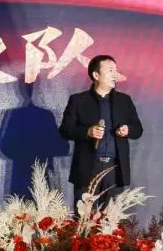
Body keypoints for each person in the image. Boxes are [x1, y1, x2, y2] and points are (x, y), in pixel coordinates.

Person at [59, 55, 142, 209]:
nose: (115, 74)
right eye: (110, 70)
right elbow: (65, 130)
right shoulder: (78, 100)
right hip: (87, 168)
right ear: (96, 75)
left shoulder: (124, 100)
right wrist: (87, 132)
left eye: (116, 70)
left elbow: (138, 129)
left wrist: (128, 130)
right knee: (84, 218)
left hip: (115, 168)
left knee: (113, 218)